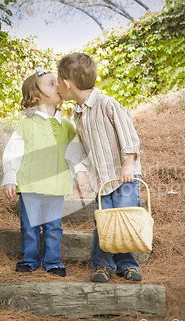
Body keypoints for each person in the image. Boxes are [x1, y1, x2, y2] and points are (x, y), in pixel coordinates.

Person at [57, 53, 143, 283]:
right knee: (103, 222)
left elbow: (129, 135)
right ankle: (103, 265)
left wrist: (128, 164)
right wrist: (82, 173)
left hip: (124, 176)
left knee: (124, 220)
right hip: (103, 180)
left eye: (58, 82)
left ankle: (127, 264)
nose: (57, 87)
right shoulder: (78, 113)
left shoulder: (106, 103)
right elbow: (82, 148)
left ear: (67, 84)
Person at [1, 67, 86, 277]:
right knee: (29, 227)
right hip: (30, 185)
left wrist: (80, 175)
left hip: (56, 186)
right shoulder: (26, 124)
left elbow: (75, 153)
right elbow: (13, 152)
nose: (58, 86)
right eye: (51, 83)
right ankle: (29, 259)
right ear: (37, 95)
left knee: (53, 228)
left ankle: (53, 261)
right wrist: (10, 176)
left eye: (58, 82)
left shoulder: (67, 126)